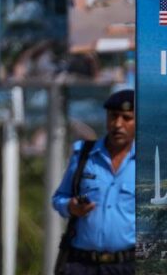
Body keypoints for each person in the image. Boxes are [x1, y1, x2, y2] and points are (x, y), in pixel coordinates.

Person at [52, 89, 137, 274]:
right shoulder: (83, 155)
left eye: (126, 118)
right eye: (113, 116)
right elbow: (59, 198)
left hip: (126, 265)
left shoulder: (145, 164)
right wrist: (71, 206)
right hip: (82, 264)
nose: (118, 124)